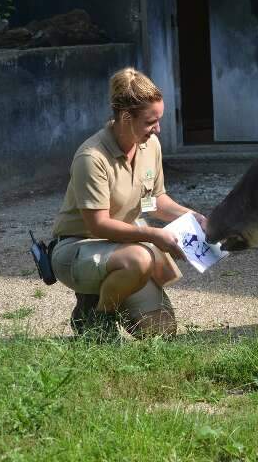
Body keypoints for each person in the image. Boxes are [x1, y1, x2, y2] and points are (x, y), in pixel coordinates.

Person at [50, 67, 206, 339]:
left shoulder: (150, 146)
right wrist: (153, 235)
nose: (157, 129)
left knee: (160, 331)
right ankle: (97, 321)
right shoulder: (91, 157)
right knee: (140, 258)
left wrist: (193, 217)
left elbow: (153, 201)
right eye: (150, 122)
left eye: (159, 120)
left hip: (124, 247)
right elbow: (97, 225)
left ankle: (102, 295)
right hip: (78, 248)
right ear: (125, 117)